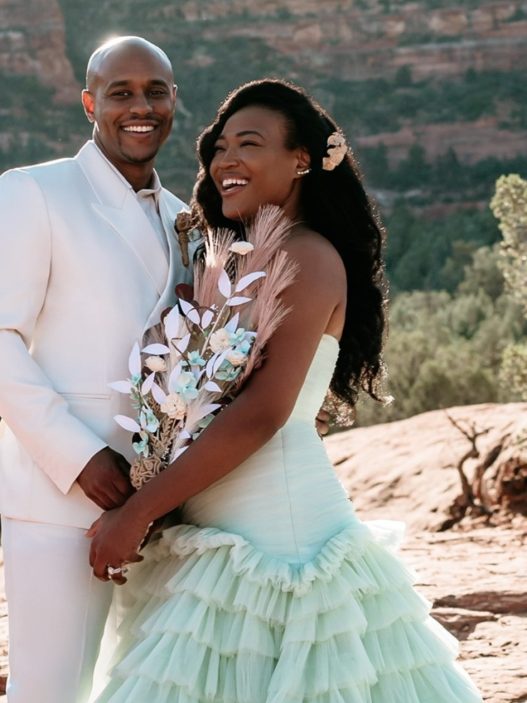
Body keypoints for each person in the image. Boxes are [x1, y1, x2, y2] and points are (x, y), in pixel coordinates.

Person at [89, 79, 483, 702]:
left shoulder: (306, 255)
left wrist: (134, 513)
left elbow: (265, 412)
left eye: (249, 143)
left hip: (284, 553)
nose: (226, 161)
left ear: (301, 159)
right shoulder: (233, 262)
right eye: (219, 147)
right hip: (216, 546)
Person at [0, 36, 197, 703]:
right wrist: (82, 458)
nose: (140, 106)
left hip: (165, 509)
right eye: (121, 93)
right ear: (90, 102)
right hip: (59, 503)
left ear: (174, 103)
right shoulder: (34, 192)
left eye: (155, 92)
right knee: (51, 691)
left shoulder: (186, 222)